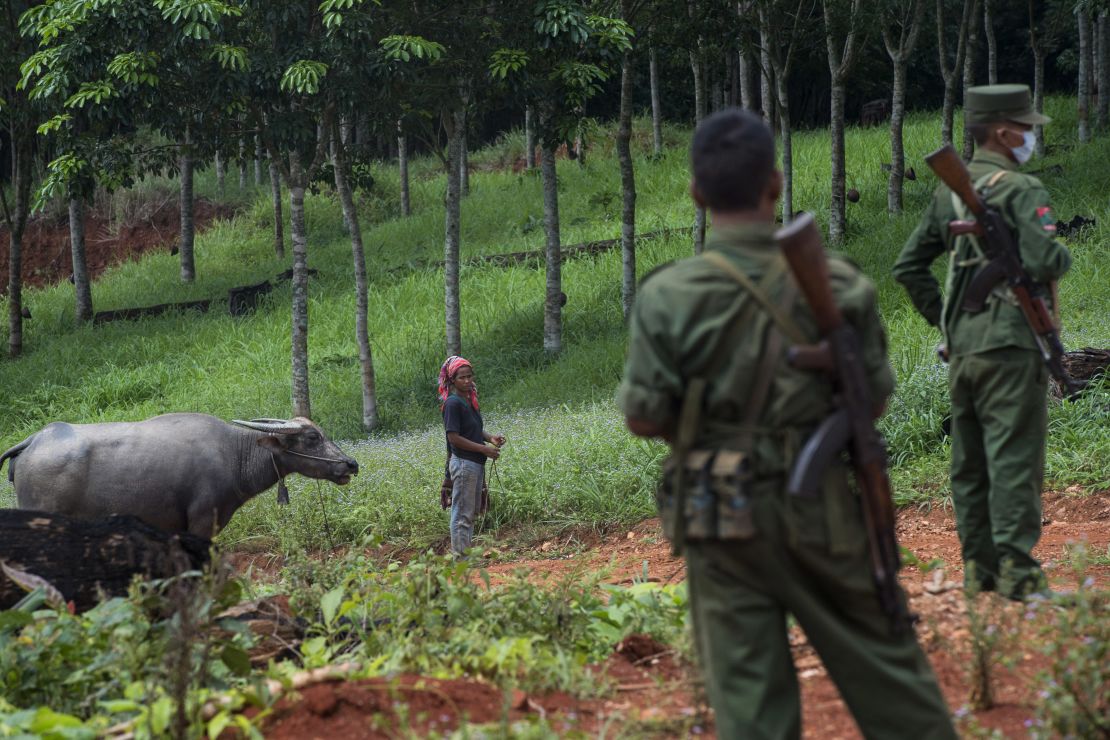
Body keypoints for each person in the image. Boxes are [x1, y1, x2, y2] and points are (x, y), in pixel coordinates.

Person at [617, 108, 956, 739]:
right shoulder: (837, 283)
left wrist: (709, 426)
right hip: (817, 502)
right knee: (889, 673)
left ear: (696, 193)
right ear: (775, 182)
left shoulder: (666, 294)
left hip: (715, 503)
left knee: (749, 703)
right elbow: (875, 400)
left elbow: (642, 415)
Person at [894, 84, 1072, 601]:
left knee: (969, 464)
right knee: (1014, 458)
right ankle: (1018, 575)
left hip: (964, 350)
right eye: (1027, 128)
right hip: (1012, 347)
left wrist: (950, 323)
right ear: (1002, 132)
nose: (1032, 137)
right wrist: (1060, 253)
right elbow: (1043, 262)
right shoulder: (1022, 189)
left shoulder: (949, 193)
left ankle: (980, 574)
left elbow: (909, 268)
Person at [438, 356, 504, 558]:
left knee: (470, 511)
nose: (466, 381)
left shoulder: (468, 401)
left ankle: (464, 555)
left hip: (473, 463)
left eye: (469, 376)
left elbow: (472, 430)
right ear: (452, 380)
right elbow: (454, 438)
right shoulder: (452, 404)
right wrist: (484, 449)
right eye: (461, 377)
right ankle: (461, 559)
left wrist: (490, 438)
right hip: (465, 463)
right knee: (462, 514)